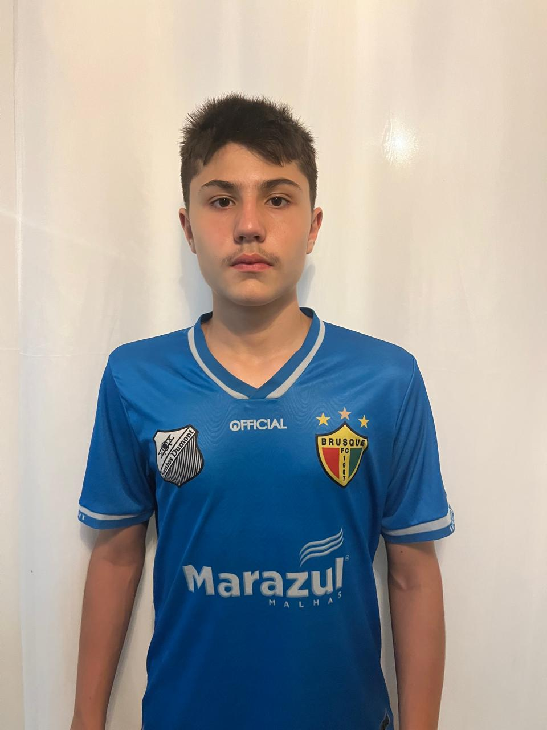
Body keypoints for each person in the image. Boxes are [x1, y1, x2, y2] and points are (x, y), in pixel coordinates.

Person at [71, 92, 455, 730]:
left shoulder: (387, 380)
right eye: (221, 200)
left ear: (313, 225)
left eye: (277, 199)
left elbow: (413, 573)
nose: (249, 225)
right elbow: (115, 556)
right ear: (188, 226)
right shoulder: (136, 378)